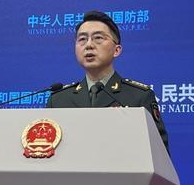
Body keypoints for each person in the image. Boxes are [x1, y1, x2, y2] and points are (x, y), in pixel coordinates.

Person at [46, 10, 169, 150]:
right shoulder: (58, 100)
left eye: (98, 38)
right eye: (82, 39)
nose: (89, 45)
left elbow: (159, 153)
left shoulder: (139, 97)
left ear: (116, 50)